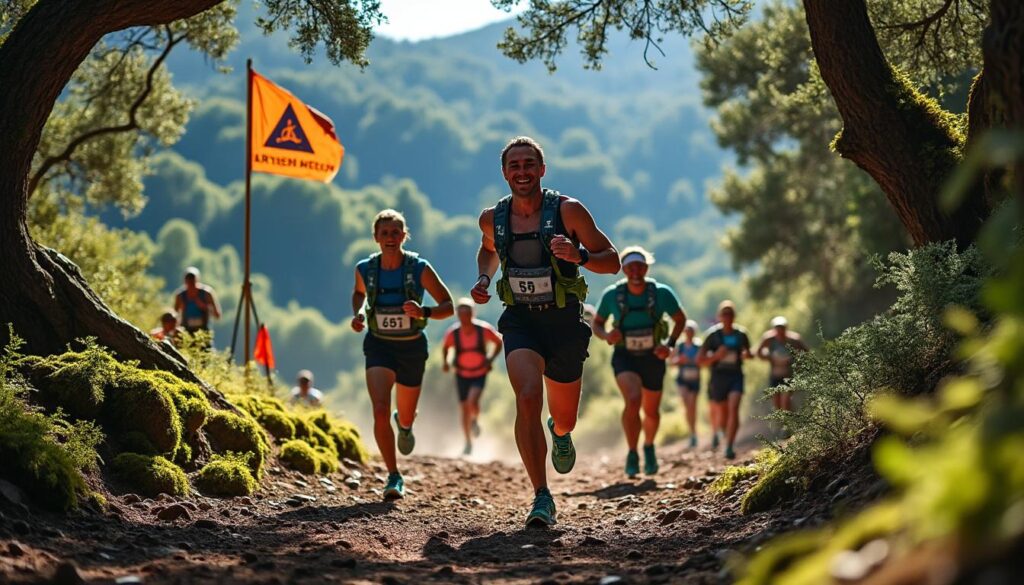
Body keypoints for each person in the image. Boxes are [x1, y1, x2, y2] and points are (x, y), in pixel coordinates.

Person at [471, 136, 620, 527]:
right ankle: (541, 495)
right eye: (514, 165)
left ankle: (560, 431)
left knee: (565, 417)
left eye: (528, 164)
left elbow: (613, 261)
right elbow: (488, 249)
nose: (522, 171)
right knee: (527, 396)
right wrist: (484, 279)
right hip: (520, 321)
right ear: (505, 173)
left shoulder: (568, 211)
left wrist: (580, 256)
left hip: (564, 323)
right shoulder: (493, 218)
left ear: (542, 169)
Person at [351, 209, 454, 500]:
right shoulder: (365, 270)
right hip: (379, 345)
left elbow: (448, 305)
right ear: (376, 237)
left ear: (404, 235)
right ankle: (393, 475)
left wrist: (424, 312)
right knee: (380, 409)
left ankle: (405, 425)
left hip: (411, 348)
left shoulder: (419, 268)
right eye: (384, 233)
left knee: (404, 415)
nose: (390, 238)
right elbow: (359, 296)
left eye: (396, 232)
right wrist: (359, 314)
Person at [592, 246, 686, 478]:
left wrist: (670, 345)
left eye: (640, 266)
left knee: (651, 411)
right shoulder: (612, 295)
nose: (635, 271)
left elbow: (680, 319)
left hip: (653, 357)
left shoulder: (661, 293)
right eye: (630, 267)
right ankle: (632, 452)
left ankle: (649, 447)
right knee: (633, 400)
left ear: (646, 267)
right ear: (623, 269)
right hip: (625, 356)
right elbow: (597, 323)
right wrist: (606, 336)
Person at [441, 298, 503, 456]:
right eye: (461, 313)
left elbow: (498, 341)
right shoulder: (453, 333)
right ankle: (468, 441)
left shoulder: (483, 330)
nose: (464, 316)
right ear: (457, 315)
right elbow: (446, 347)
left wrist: (490, 359)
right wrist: (446, 363)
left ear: (473, 313)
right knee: (464, 410)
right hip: (461, 374)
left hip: (479, 373)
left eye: (467, 313)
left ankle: (474, 420)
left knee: (472, 401)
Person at [697, 300, 752, 460]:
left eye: (730, 314)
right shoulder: (712, 336)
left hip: (735, 375)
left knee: (734, 408)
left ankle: (729, 446)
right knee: (723, 412)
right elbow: (700, 360)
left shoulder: (741, 334)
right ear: (719, 316)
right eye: (724, 314)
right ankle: (723, 435)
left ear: (734, 316)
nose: (727, 317)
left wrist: (746, 355)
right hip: (718, 377)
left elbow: (749, 353)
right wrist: (716, 356)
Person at [756, 316, 809, 412]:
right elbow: (758, 352)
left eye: (782, 328)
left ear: (786, 328)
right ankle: (785, 420)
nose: (780, 331)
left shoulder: (794, 339)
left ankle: (789, 421)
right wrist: (770, 358)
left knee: (785, 400)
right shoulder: (769, 339)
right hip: (775, 375)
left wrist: (795, 361)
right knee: (777, 404)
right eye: (777, 328)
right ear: (774, 329)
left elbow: (806, 353)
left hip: (789, 375)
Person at [671, 319, 702, 448]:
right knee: (686, 404)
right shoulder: (680, 346)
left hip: (695, 379)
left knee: (692, 407)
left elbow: (704, 361)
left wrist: (696, 361)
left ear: (694, 332)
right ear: (684, 332)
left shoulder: (699, 346)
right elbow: (671, 361)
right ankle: (692, 432)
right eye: (687, 331)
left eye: (691, 331)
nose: (689, 333)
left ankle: (693, 433)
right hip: (682, 379)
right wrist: (680, 360)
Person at [173, 267, 221, 336]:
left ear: (197, 280)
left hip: (203, 333)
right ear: (185, 281)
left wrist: (205, 307)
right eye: (188, 280)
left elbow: (217, 315)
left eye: (192, 280)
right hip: (186, 332)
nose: (190, 283)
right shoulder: (180, 295)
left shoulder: (207, 293)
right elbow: (174, 316)